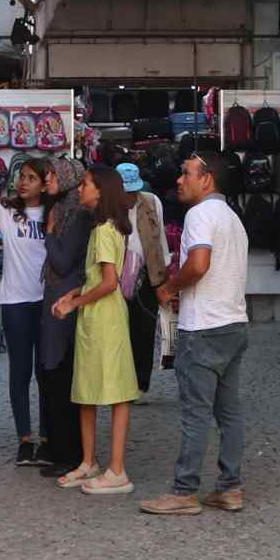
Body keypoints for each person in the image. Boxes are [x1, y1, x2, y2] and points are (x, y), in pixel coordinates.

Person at [140, 152, 249, 517]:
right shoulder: (232, 218)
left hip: (203, 327)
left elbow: (199, 264)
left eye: (186, 173)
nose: (179, 180)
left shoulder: (200, 215)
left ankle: (184, 490)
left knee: (195, 413)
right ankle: (230, 487)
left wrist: (171, 287)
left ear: (207, 179)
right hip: (233, 323)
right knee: (229, 412)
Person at [51, 167, 140, 495]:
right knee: (87, 390)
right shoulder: (104, 228)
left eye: (86, 183)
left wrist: (74, 303)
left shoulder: (104, 230)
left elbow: (108, 283)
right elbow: (98, 279)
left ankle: (117, 470)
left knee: (115, 392)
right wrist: (74, 295)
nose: (80, 189)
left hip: (105, 319)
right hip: (97, 316)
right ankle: (90, 462)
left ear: (101, 191)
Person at [0, 157, 54, 467]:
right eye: (21, 176)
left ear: (44, 183)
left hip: (47, 302)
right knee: (19, 373)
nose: (23, 182)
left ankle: (47, 437)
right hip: (15, 302)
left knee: (46, 373)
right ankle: (25, 438)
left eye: (31, 178)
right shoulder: (7, 212)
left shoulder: (54, 213)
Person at [36, 158, 90, 479]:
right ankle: (60, 450)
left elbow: (62, 259)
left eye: (53, 175)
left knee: (60, 373)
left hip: (65, 300)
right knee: (52, 372)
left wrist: (50, 233)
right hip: (57, 297)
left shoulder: (76, 214)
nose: (47, 181)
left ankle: (69, 454)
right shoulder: (62, 207)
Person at [117, 162, 170, 398]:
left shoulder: (151, 202)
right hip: (117, 275)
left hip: (147, 273)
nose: (129, 196)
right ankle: (120, 382)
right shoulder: (109, 207)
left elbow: (160, 240)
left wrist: (164, 273)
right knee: (119, 331)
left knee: (144, 330)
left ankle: (140, 384)